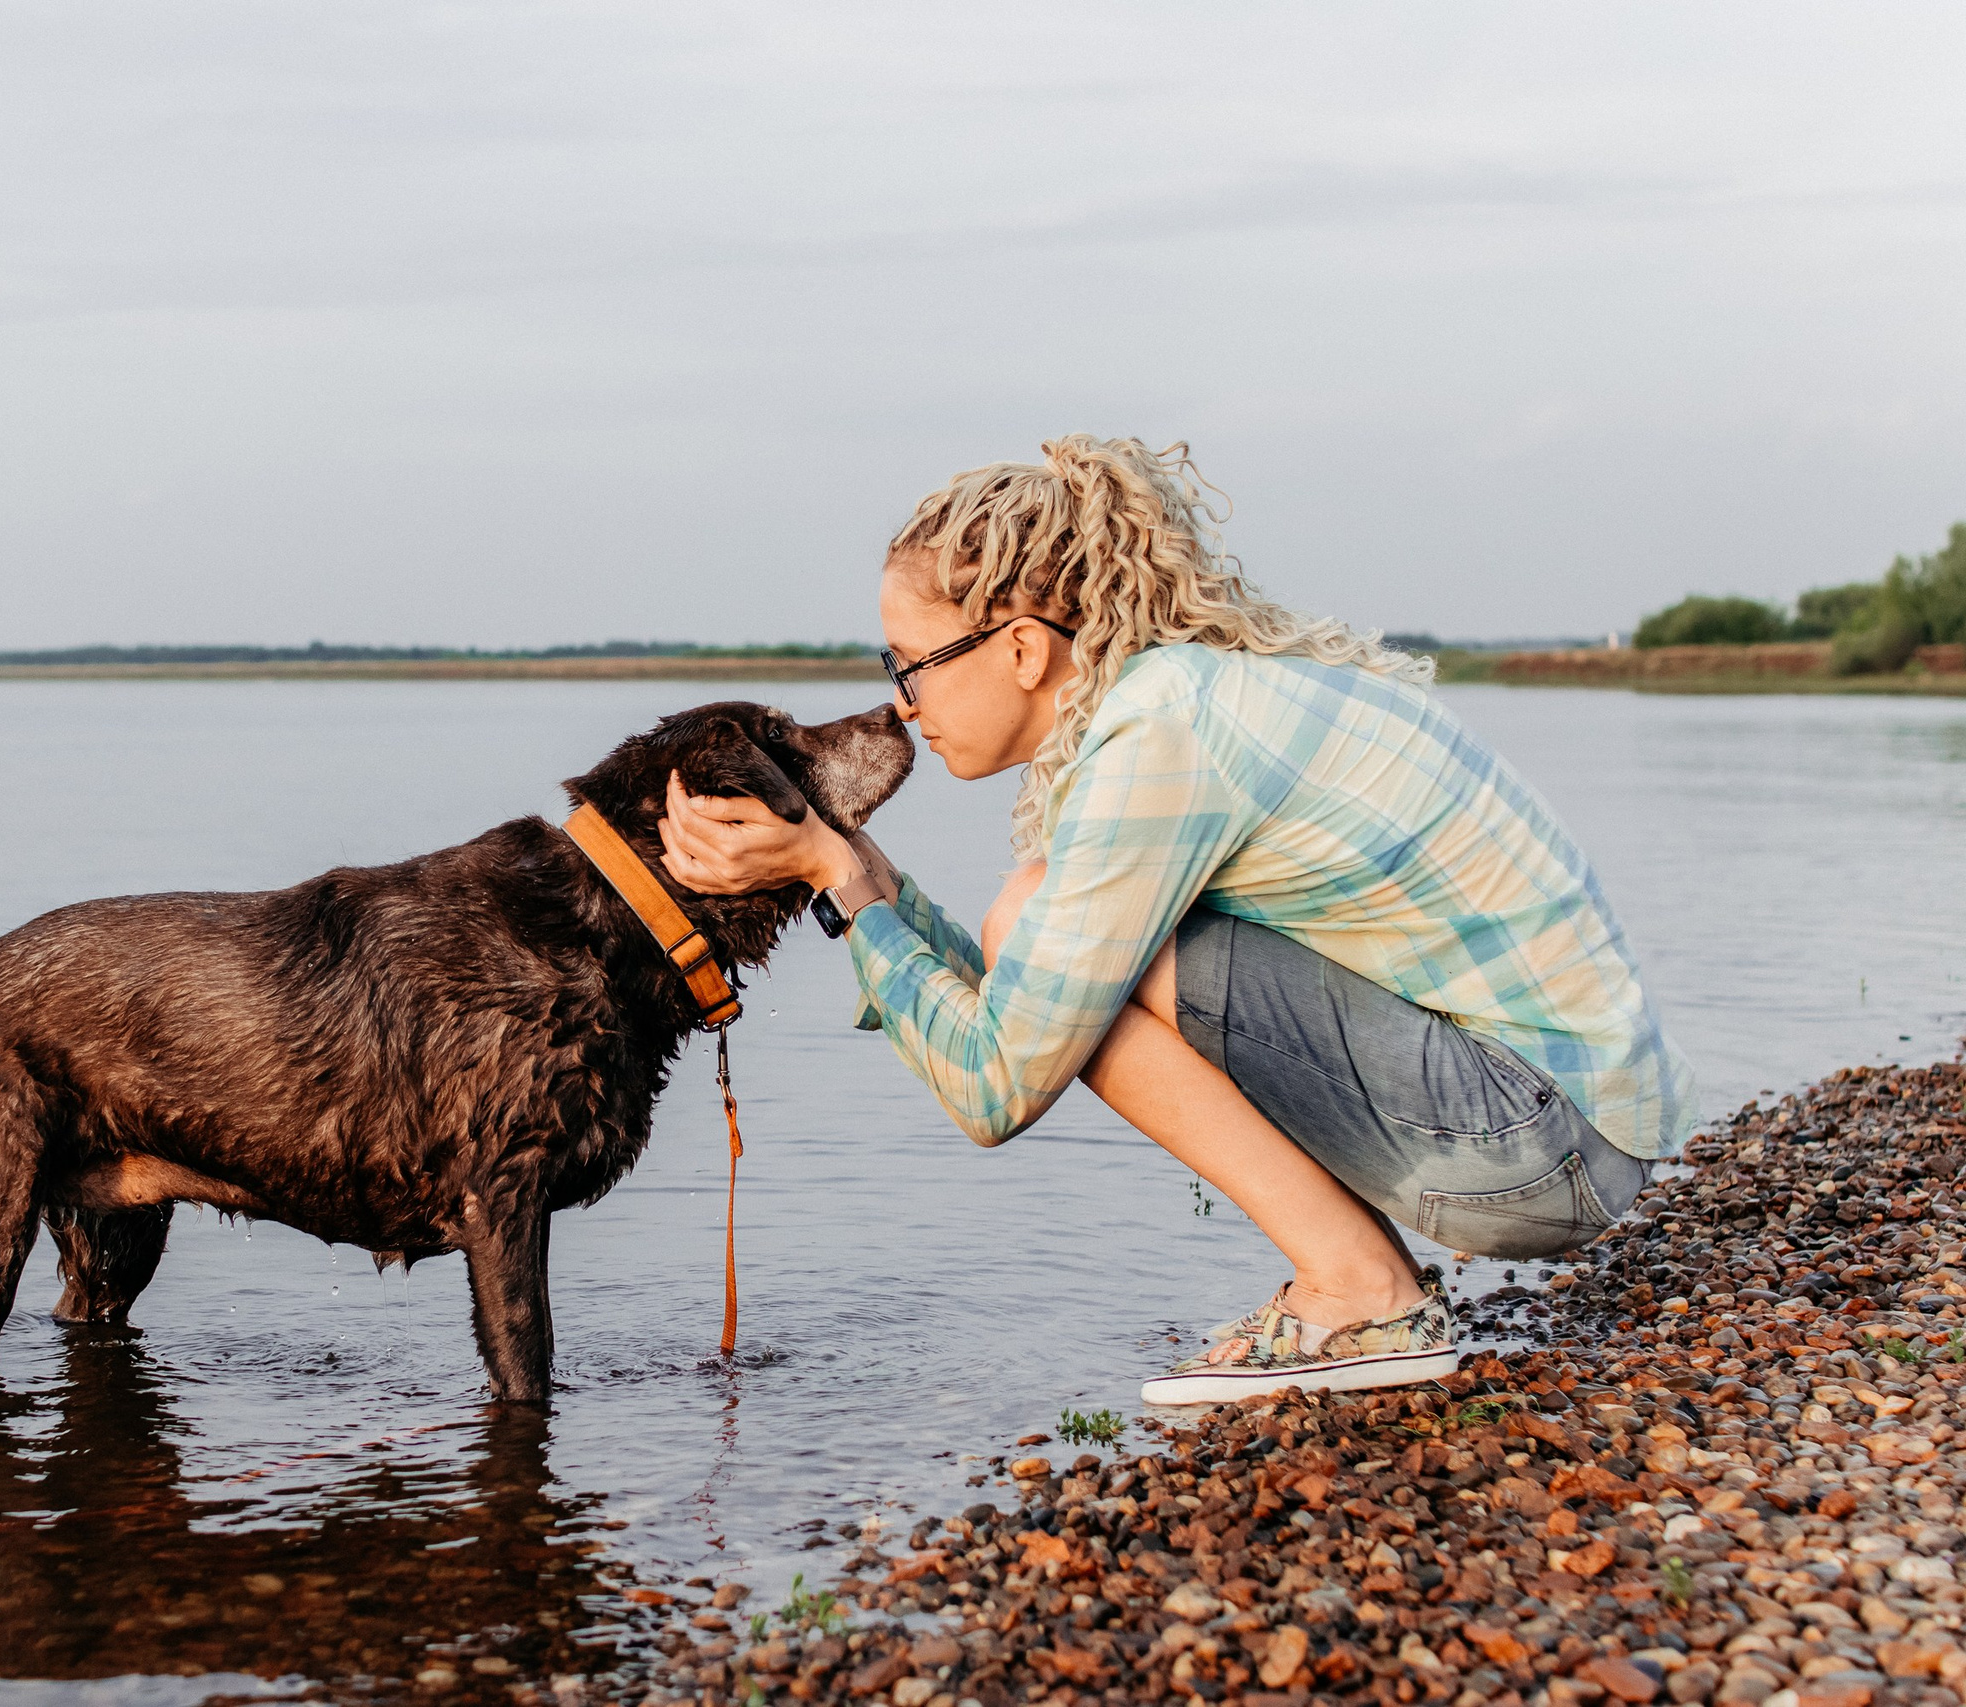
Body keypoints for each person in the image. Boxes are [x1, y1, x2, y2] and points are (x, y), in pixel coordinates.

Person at [657, 435, 1696, 1405]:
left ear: (1020, 649)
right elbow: (1035, 1013)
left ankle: (1362, 1291)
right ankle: (1364, 1281)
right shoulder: (1178, 700)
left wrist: (837, 881)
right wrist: (855, 867)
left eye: (907, 664)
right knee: (1046, 931)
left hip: (1535, 1151)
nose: (901, 703)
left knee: (1034, 917)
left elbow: (993, 1084)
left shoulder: (1160, 736)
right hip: (1561, 1130)